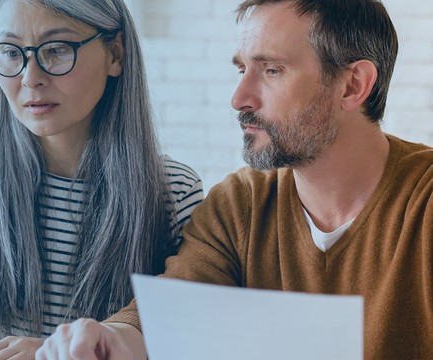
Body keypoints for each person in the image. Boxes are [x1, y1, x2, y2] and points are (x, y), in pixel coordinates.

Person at [35, 0, 433, 359]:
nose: (239, 97)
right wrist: (111, 339)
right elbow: (175, 308)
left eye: (272, 70)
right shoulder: (240, 203)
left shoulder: (424, 200)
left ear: (353, 85)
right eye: (242, 69)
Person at [0, 0, 204, 359]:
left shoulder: (173, 192)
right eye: (11, 51)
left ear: (116, 54)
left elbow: (185, 341)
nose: (30, 77)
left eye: (56, 50)